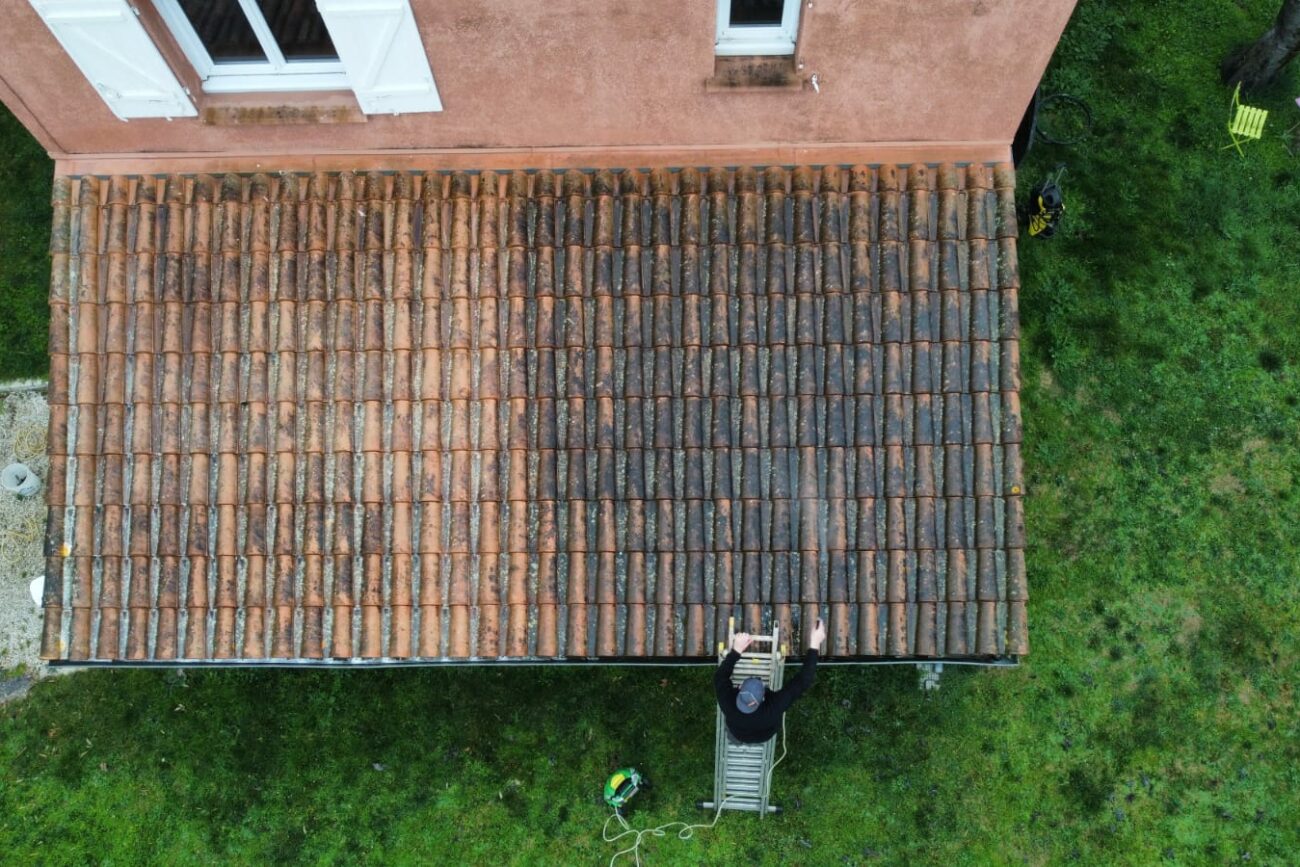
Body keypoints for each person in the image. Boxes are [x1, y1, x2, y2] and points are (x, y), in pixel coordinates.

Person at [714, 614, 826, 744]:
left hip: (738, 730)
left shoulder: (727, 701)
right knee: (743, 732)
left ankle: (738, 738)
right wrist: (815, 643)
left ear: (739, 689)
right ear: (763, 697)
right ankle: (739, 738)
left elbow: (720, 676)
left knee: (737, 732)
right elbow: (803, 681)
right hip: (763, 734)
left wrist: (736, 651)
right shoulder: (773, 709)